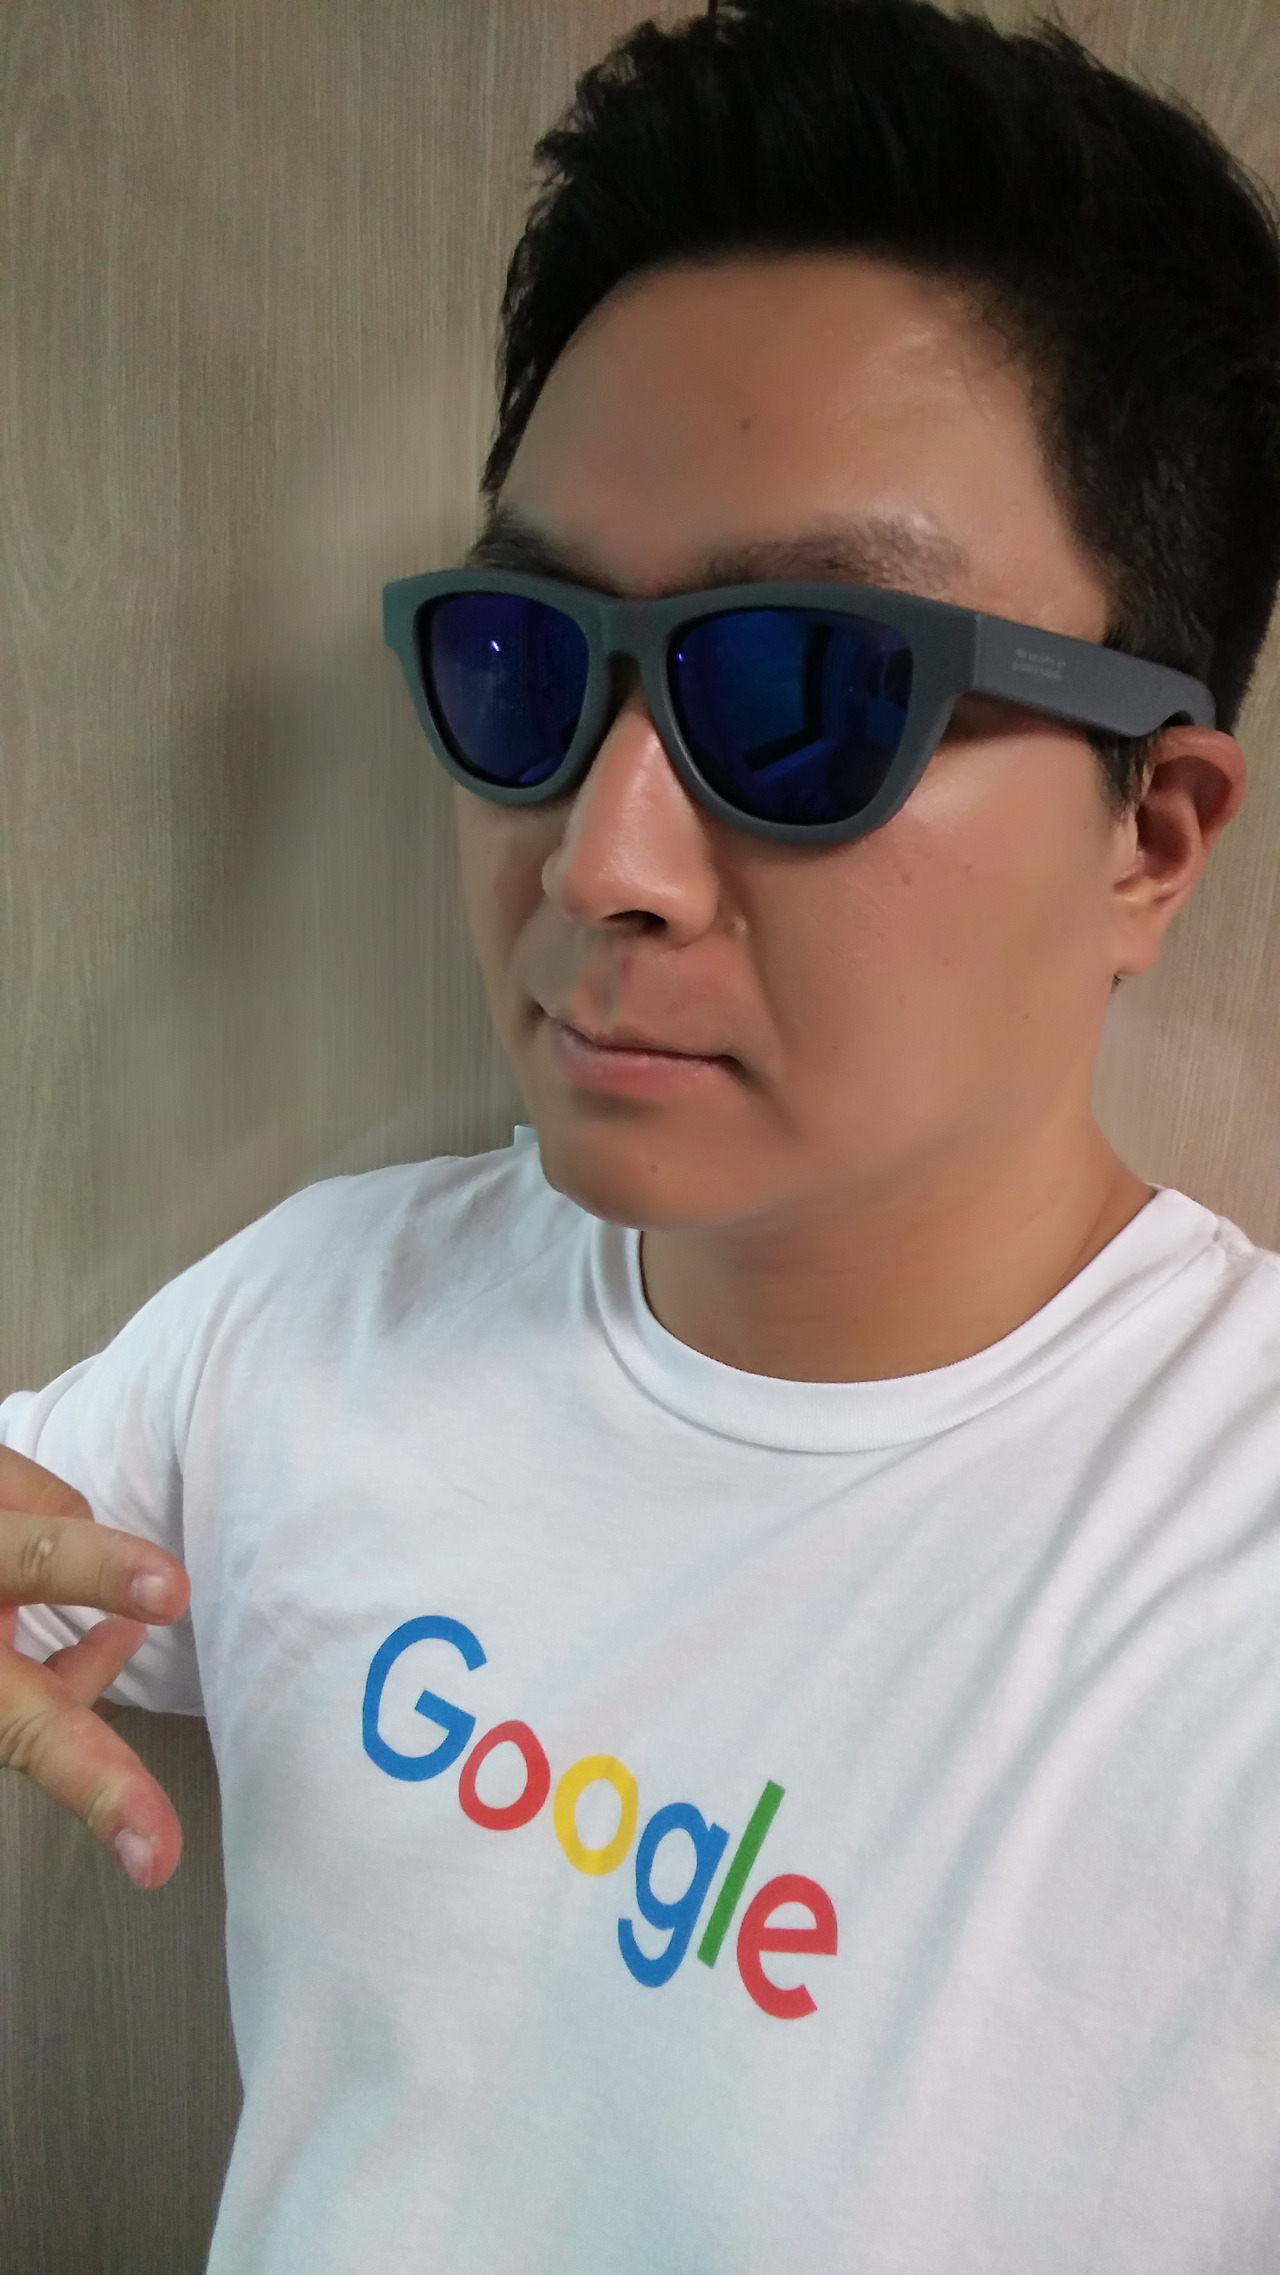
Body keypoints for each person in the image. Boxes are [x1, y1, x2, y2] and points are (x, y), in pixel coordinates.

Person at [3, 0, 1280, 2266]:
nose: (602, 863)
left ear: (1150, 835)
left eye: (806, 695)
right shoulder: (306, 1320)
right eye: (526, 661)